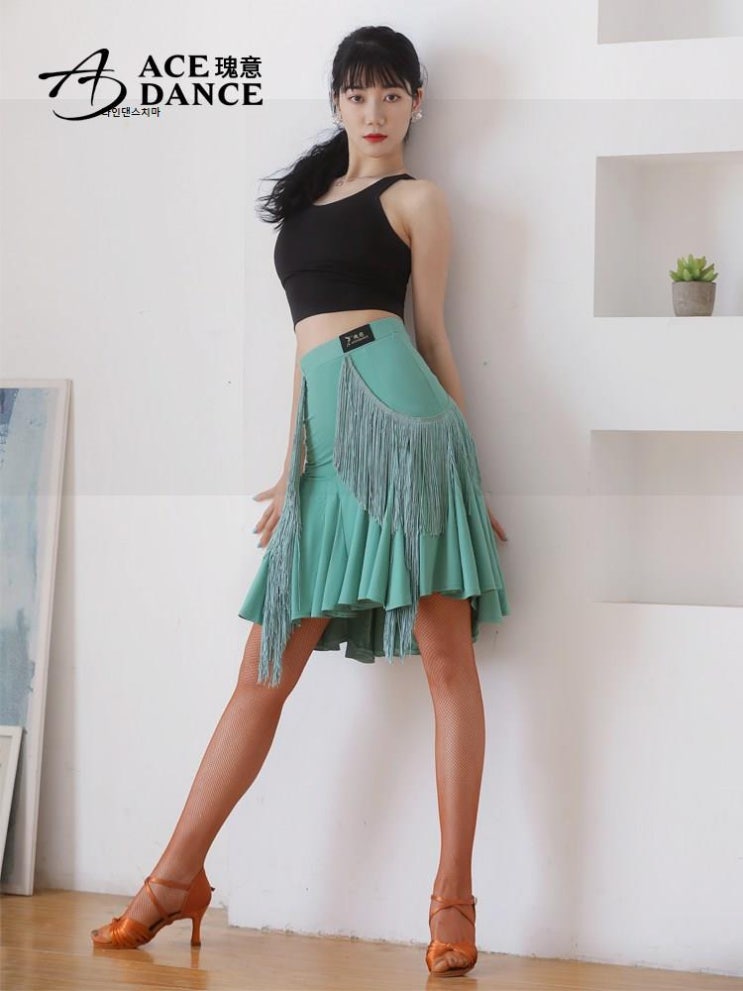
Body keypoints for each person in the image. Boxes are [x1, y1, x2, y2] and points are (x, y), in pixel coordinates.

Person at [90, 24, 510, 979]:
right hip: (326, 446)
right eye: (358, 94)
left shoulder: (417, 199)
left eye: (392, 94)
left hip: (407, 433)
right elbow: (304, 346)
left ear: (416, 104)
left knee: (445, 660)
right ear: (335, 103)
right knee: (262, 671)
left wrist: (469, 471)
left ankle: (452, 898)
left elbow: (431, 338)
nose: (374, 111)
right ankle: (174, 878)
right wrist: (293, 465)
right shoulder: (304, 209)